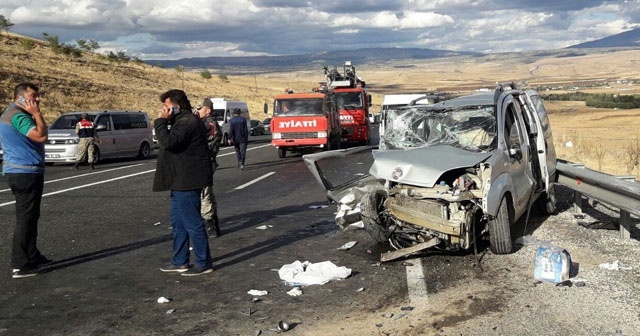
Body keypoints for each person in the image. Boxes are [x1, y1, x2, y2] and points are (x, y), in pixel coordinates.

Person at [153, 89, 213, 276]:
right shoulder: (183, 121)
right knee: (178, 223)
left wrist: (161, 122)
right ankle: (180, 261)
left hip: (187, 180)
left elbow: (169, 142)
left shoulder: (187, 122)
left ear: (177, 107)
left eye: (167, 107)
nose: (164, 110)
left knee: (192, 223)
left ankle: (204, 263)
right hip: (179, 179)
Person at [0, 83, 52, 278]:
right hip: (24, 172)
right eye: (33, 96)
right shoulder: (19, 116)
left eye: (38, 96)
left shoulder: (10, 114)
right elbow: (41, 136)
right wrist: (37, 114)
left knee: (31, 216)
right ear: (20, 97)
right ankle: (20, 264)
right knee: (25, 218)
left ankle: (32, 255)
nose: (37, 99)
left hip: (20, 171)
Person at [196, 98, 222, 237]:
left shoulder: (210, 124)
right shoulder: (201, 123)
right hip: (203, 162)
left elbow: (209, 145)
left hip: (205, 162)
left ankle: (210, 224)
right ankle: (212, 222)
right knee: (207, 195)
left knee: (204, 194)